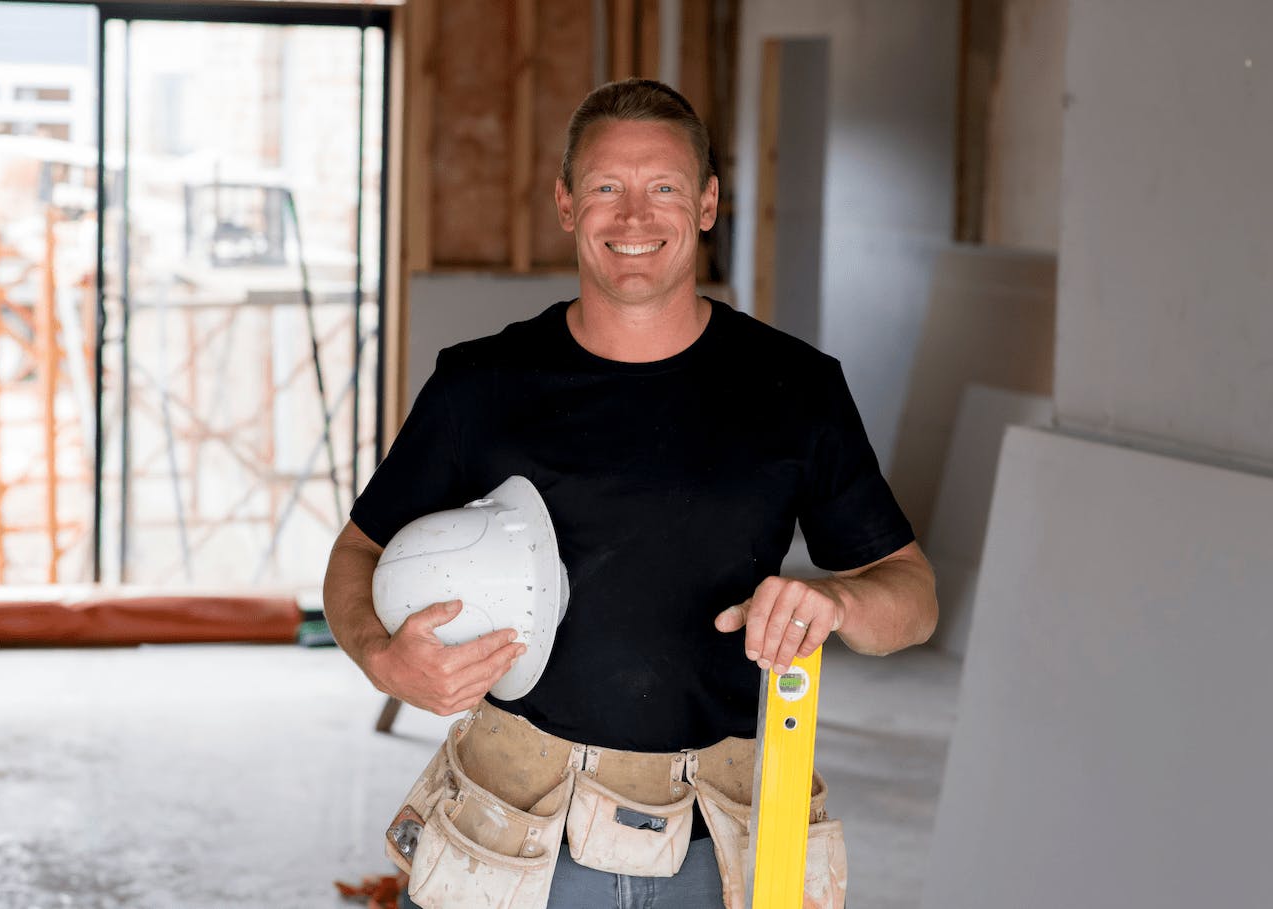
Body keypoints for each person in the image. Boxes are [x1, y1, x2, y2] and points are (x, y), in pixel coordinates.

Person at [323, 78, 937, 909]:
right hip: (518, 833)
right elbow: (356, 554)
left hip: (714, 843)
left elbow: (913, 594)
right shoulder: (484, 383)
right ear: (567, 203)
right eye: (607, 187)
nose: (634, 217)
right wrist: (382, 657)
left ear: (709, 203)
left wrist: (837, 603)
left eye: (664, 189)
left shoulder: (795, 388)